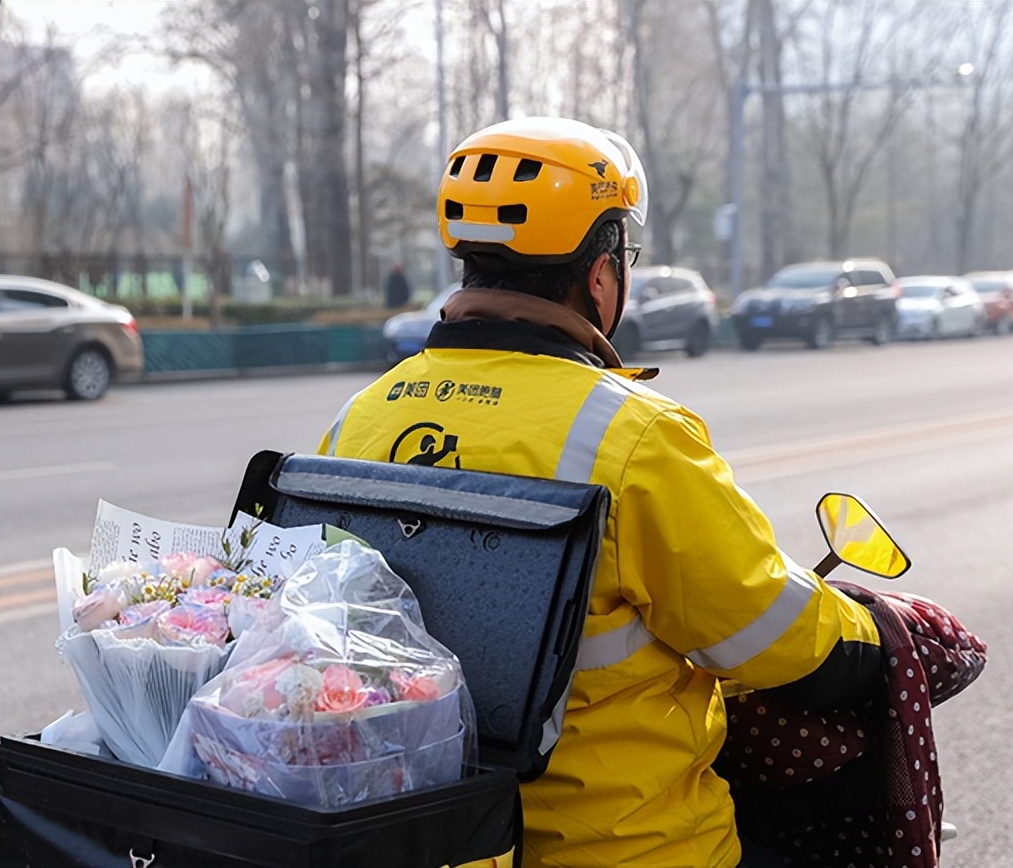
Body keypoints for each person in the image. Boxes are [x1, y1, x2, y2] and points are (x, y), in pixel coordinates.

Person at [318, 117, 881, 867]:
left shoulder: (358, 418)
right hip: (629, 848)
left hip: (436, 840)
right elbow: (763, 631)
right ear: (599, 271)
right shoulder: (633, 436)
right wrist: (878, 641)